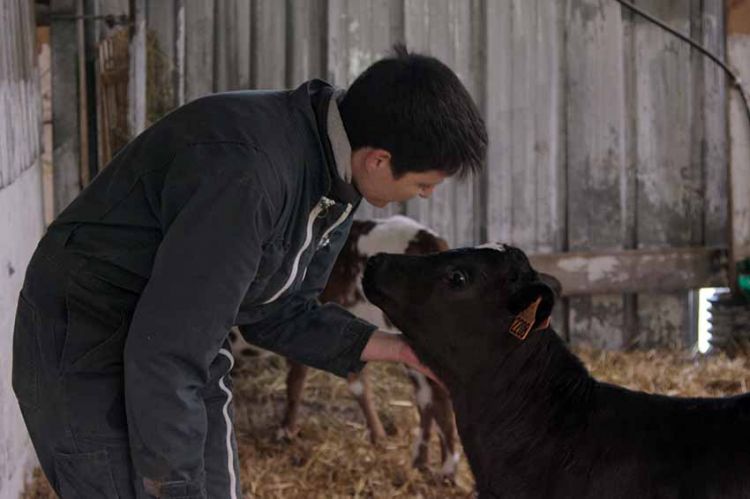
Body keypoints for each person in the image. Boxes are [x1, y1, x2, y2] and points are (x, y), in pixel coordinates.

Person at [11, 45, 487, 498]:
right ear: (379, 159)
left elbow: (278, 309)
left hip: (177, 336)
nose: (423, 197)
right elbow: (168, 354)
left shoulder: (335, 175)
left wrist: (401, 350)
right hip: (87, 333)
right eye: (423, 183)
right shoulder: (252, 178)